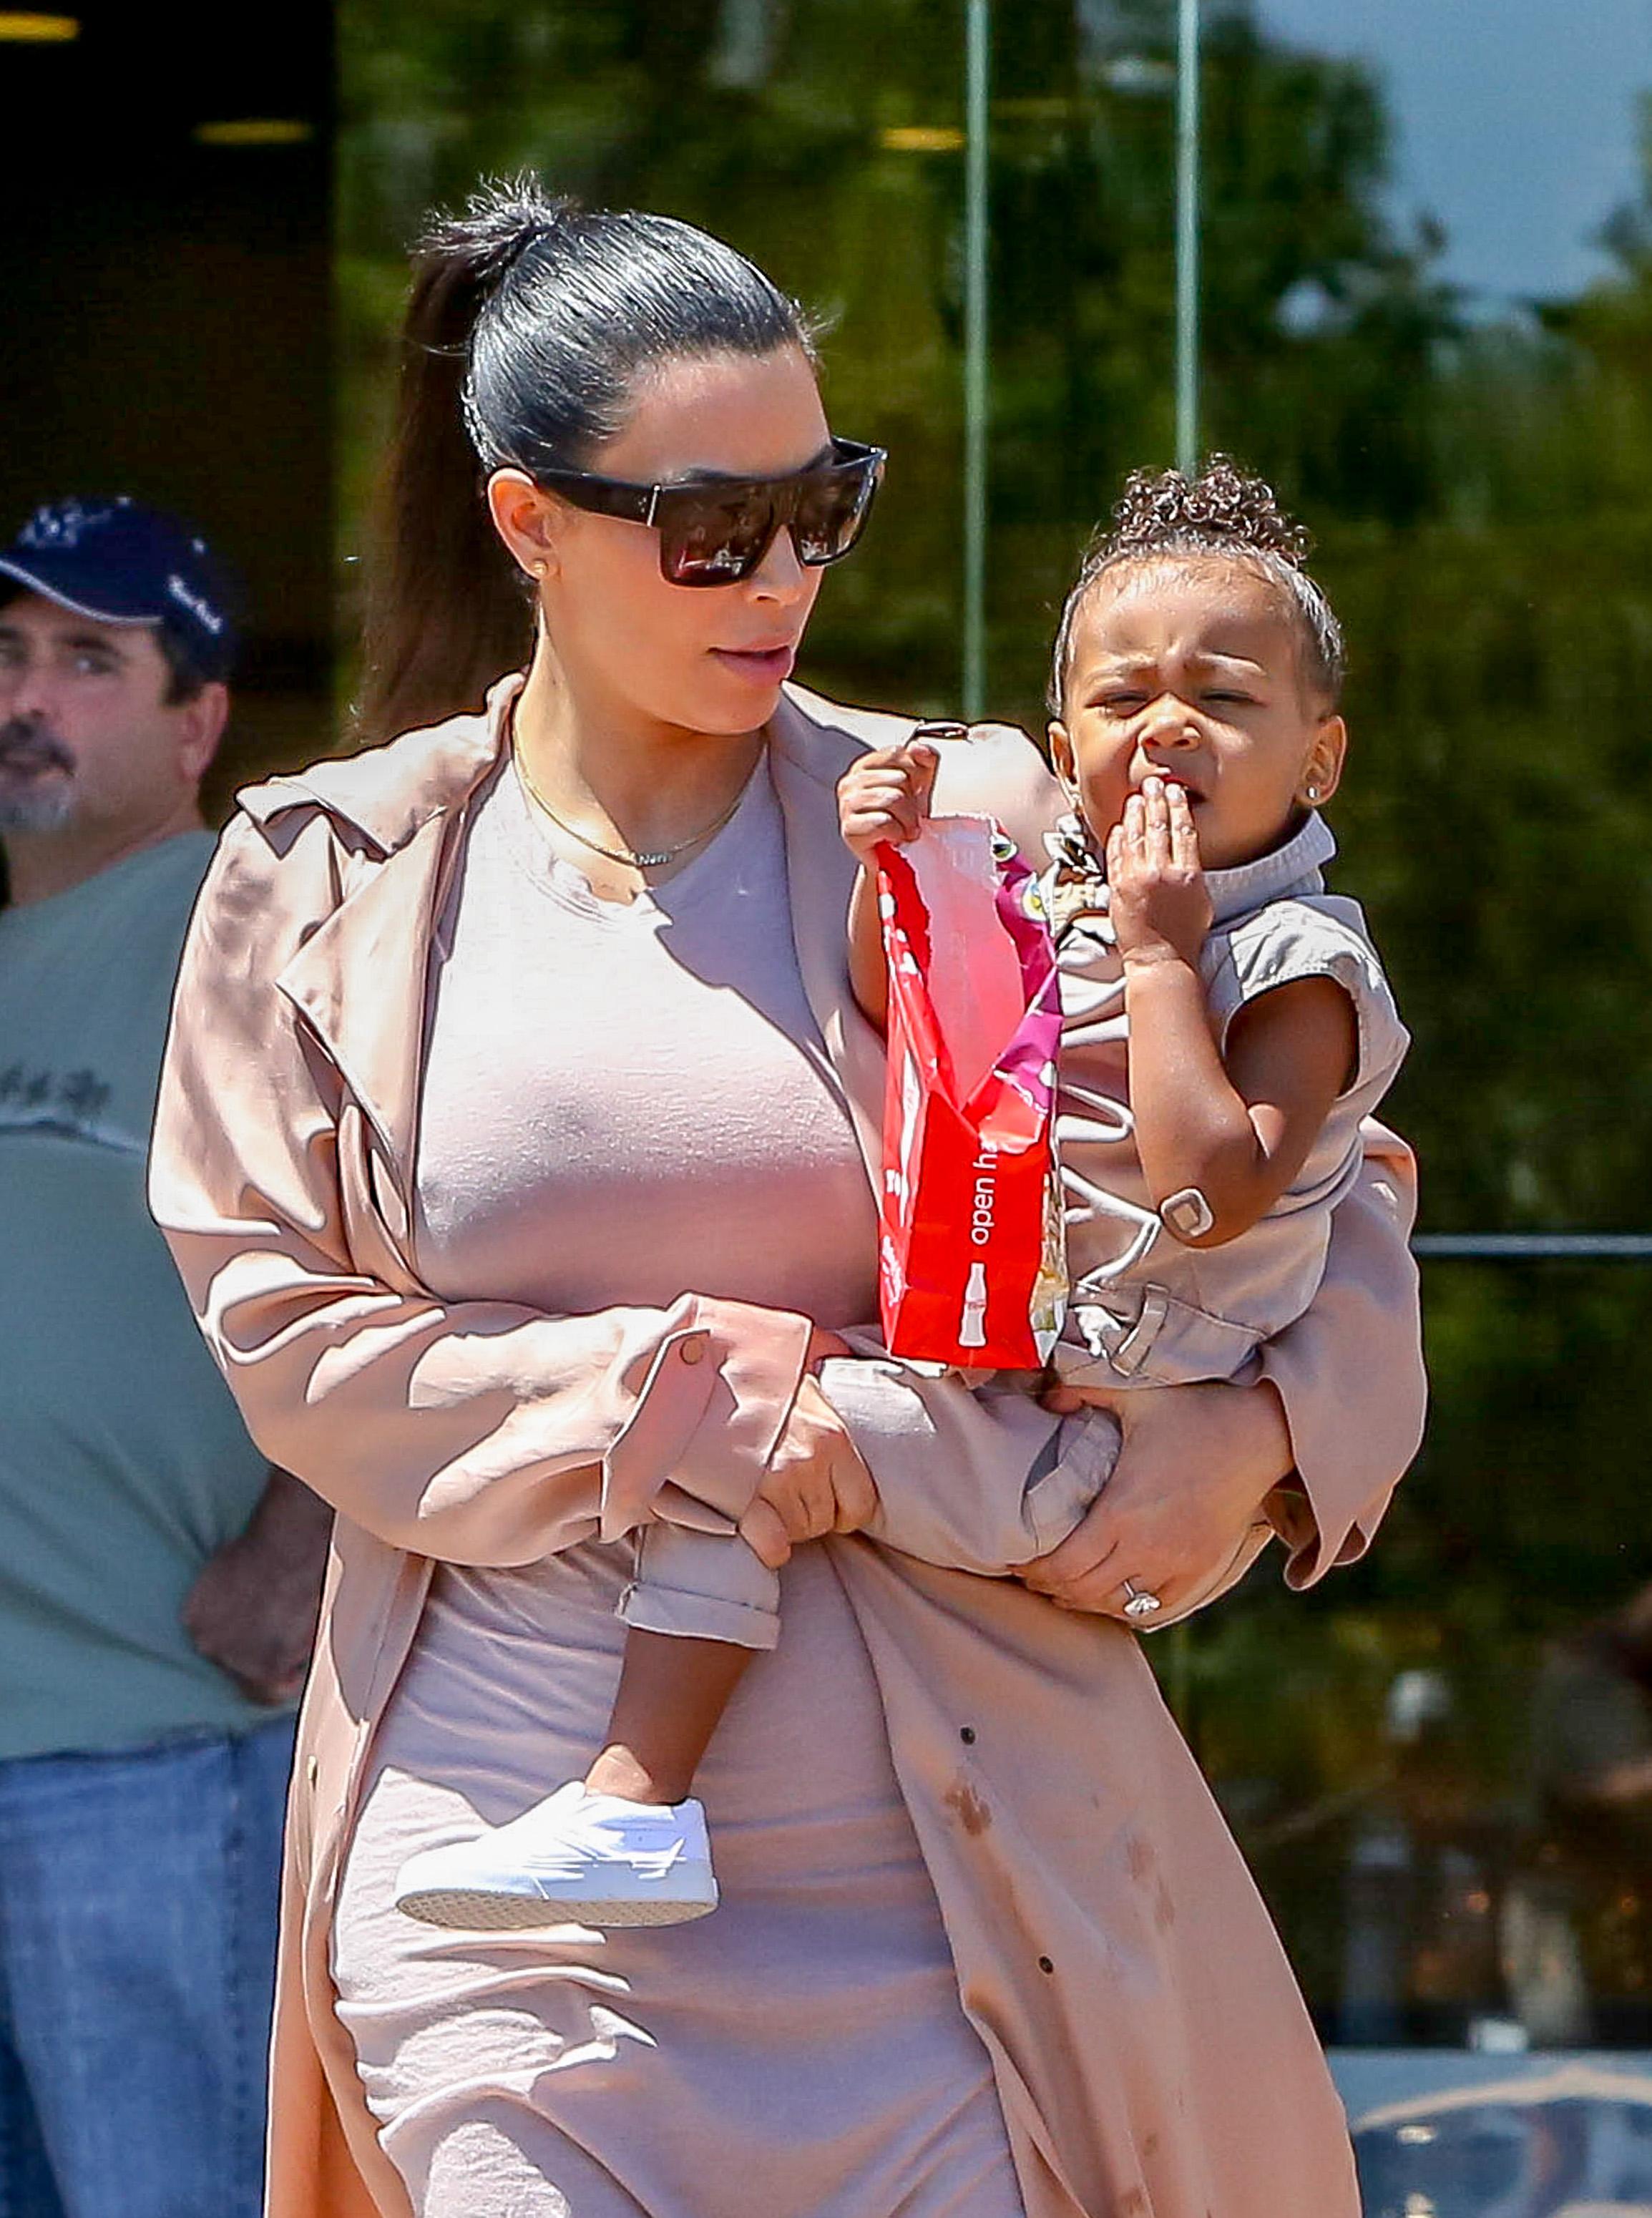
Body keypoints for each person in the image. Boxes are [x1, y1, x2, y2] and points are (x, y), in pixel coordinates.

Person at [150, 177, 1426, 2218]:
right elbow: (290, 1333)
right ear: (525, 521)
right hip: (504, 1861)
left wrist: (1261, 1440)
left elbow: (1318, 1183)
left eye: (820, 505)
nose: (782, 580)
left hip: (944, 1874)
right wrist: (725, 1400)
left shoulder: (971, 812)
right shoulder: (332, 872)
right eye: (708, 529)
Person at [396, 457, 1412, 1935]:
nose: (1168, 727)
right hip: (995, 1362)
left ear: (1319, 759)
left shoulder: (1298, 959)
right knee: (737, 1404)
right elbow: (910, 1010)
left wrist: (1158, 955)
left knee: (751, 1414)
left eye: (1225, 699)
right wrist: (896, 865)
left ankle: (633, 1800)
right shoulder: (1062, 884)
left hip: (1106, 1440)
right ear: (1065, 748)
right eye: (1123, 702)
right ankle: (633, 1806)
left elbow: (1212, 1192)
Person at [0, 496, 334, 2218]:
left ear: (199, 721)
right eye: (6, 651)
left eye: (86, 659)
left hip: (156, 1757)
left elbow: (438, 1243)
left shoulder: (248, 924)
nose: (25, 695)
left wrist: (307, 1536)